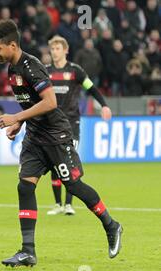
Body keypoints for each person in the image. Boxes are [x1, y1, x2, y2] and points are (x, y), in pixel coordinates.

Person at [0, 19, 123, 268]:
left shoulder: (32, 66)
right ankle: (28, 250)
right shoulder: (12, 70)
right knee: (24, 187)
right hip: (35, 137)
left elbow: (50, 103)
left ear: (12, 45)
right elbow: (31, 104)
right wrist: (20, 124)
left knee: (73, 186)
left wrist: (15, 117)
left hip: (56, 136)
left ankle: (111, 225)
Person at [46, 35, 112, 216]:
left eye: (58, 48)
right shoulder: (46, 72)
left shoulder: (75, 71)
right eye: (52, 49)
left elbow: (91, 88)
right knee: (54, 162)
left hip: (71, 122)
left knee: (68, 160)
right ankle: (58, 204)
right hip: (51, 123)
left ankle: (68, 204)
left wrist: (104, 105)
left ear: (66, 50)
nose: (54, 52)